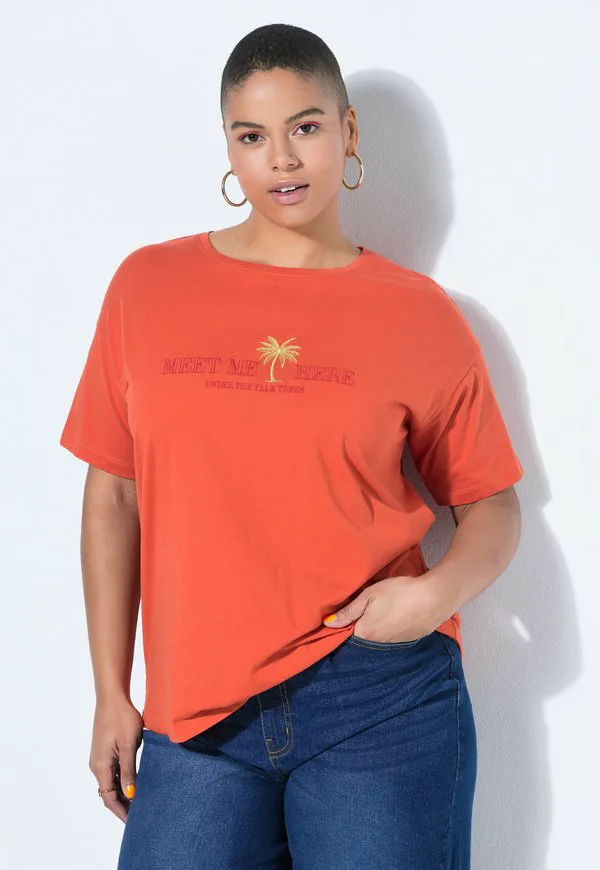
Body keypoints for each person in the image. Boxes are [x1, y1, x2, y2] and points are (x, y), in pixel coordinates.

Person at [59, 22, 524, 870]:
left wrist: (433, 597)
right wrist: (110, 692)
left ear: (348, 131)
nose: (281, 159)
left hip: (379, 697)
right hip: (198, 713)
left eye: (305, 127)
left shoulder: (418, 314)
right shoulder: (147, 288)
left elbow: (491, 505)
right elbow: (113, 495)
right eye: (252, 136)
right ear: (228, 148)